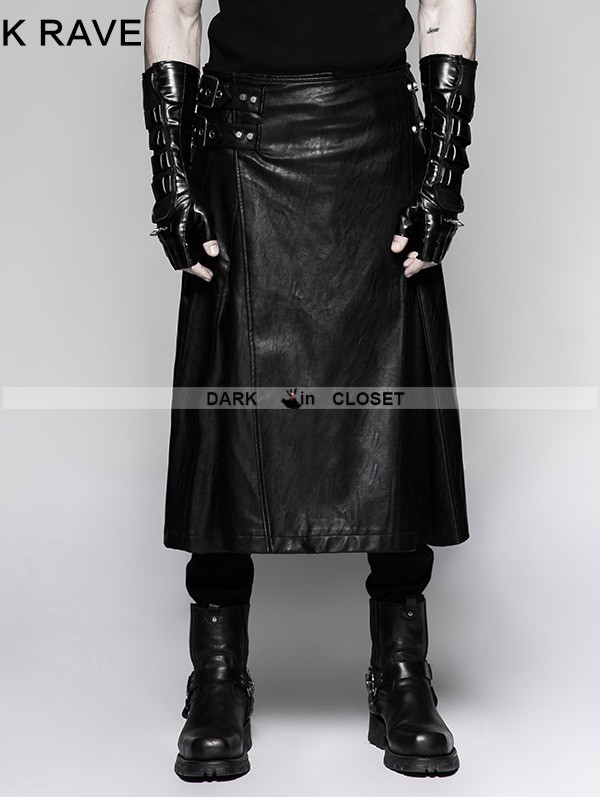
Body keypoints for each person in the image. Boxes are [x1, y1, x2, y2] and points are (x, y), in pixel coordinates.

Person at [142, 0, 477, 782]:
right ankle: (217, 678)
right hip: (243, 140)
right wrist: (172, 174)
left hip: (377, 135)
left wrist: (442, 171)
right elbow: (178, 7)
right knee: (230, 409)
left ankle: (402, 671)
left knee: (393, 399)